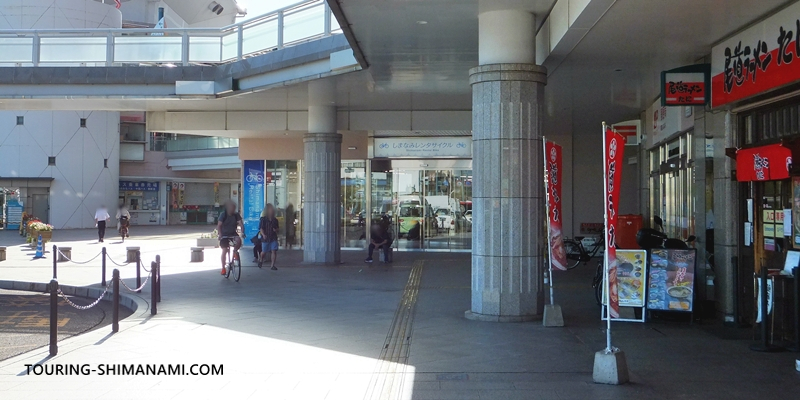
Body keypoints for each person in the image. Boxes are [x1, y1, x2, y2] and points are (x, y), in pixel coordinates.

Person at [217, 200, 244, 275]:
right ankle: (223, 268)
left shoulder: (236, 215)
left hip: (233, 235)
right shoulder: (223, 215)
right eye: (232, 207)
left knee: (238, 240)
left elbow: (241, 224)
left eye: (234, 208)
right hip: (224, 235)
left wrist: (242, 232)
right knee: (224, 250)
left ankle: (235, 252)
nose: (233, 209)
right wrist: (220, 235)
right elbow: (219, 225)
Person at [259, 203, 280, 270]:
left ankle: (272, 265)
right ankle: (261, 259)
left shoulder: (275, 220)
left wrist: (276, 230)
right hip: (266, 238)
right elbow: (261, 228)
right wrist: (263, 234)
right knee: (264, 252)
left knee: (274, 251)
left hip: (273, 237)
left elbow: (278, 229)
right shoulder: (263, 219)